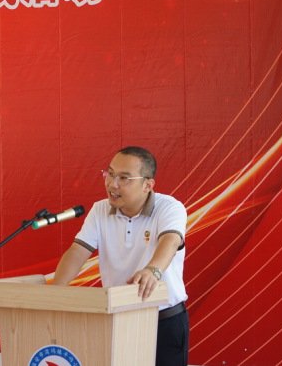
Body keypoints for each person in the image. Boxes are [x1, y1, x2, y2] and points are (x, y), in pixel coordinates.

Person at [52, 146, 188, 366]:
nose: (112, 184)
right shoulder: (99, 210)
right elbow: (78, 252)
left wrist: (152, 271)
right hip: (118, 320)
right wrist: (54, 294)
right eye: (110, 174)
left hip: (163, 321)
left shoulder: (169, 207)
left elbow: (170, 241)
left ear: (147, 185)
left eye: (124, 178)